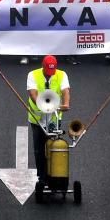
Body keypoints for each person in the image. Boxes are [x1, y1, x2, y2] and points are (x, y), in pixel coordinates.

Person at [26, 55, 70, 184]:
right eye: (48, 70)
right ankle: (42, 176)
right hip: (37, 119)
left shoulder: (62, 75)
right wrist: (42, 104)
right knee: (39, 149)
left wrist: (66, 103)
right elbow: (33, 93)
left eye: (53, 70)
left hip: (54, 119)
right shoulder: (33, 75)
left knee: (54, 146)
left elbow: (65, 90)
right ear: (43, 66)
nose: (51, 73)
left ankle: (55, 174)